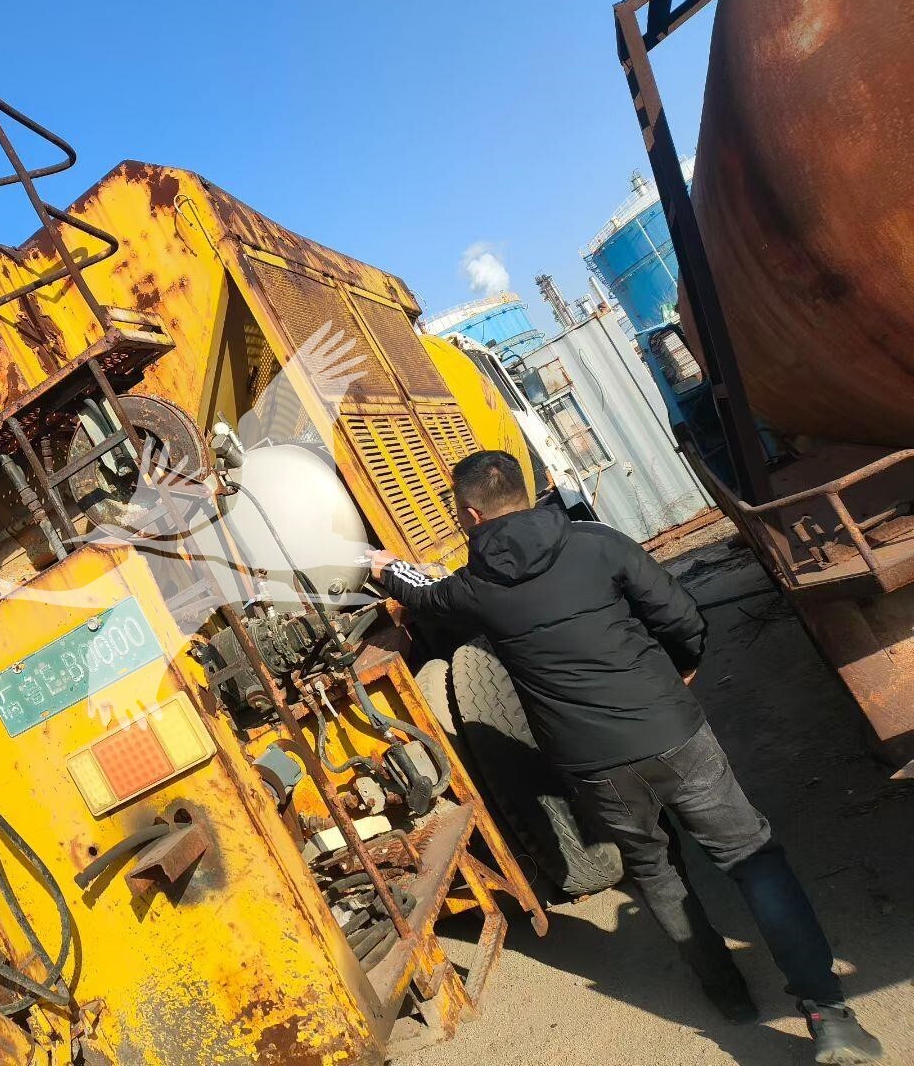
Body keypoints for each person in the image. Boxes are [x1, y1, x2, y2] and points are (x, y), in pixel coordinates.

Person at [366, 449, 882, 1065]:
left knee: (655, 870)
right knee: (751, 858)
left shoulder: (473, 589)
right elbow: (681, 616)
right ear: (525, 493)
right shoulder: (597, 543)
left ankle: (728, 995)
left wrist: (384, 567)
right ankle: (828, 1015)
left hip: (594, 764)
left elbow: (423, 595)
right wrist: (681, 670)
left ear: (471, 515)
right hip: (672, 733)